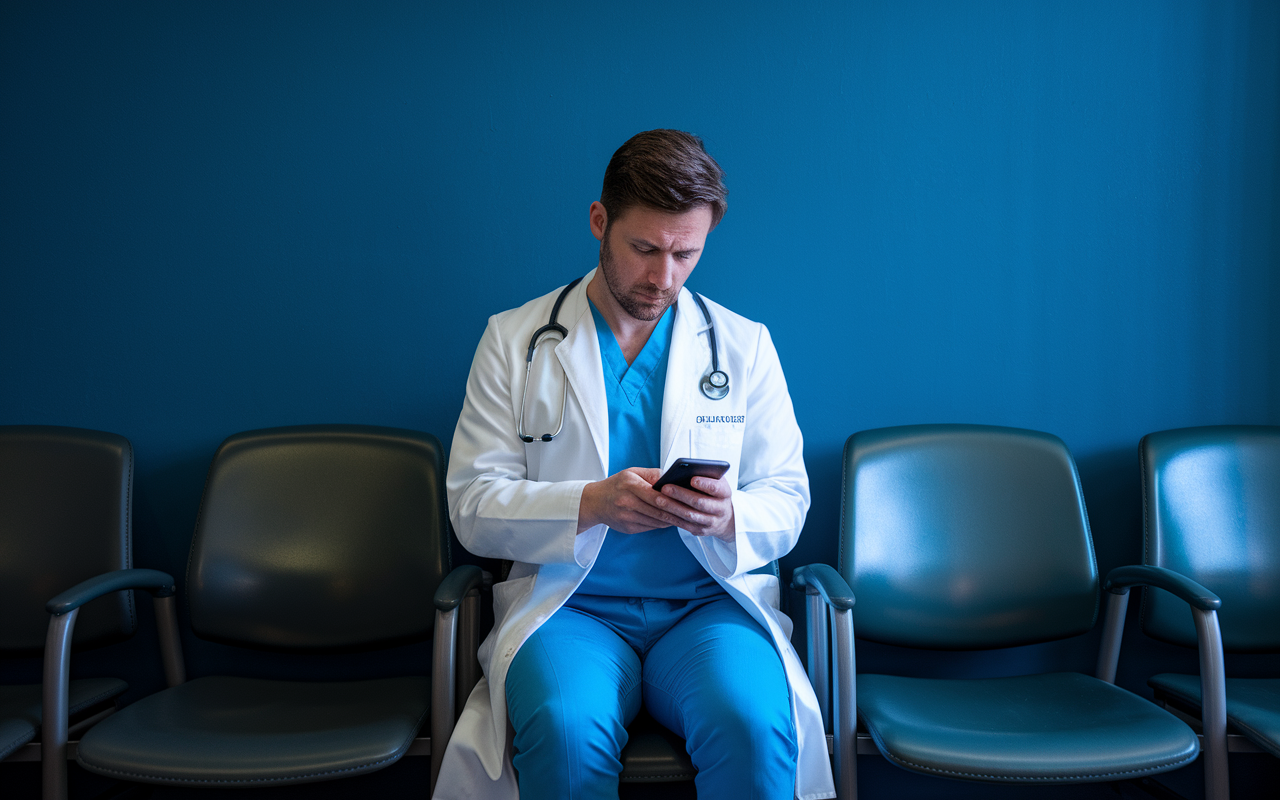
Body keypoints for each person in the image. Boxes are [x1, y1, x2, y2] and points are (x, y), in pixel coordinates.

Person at [434, 130, 834, 800]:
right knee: (563, 731)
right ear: (600, 222)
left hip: (708, 609)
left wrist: (729, 514)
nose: (664, 277)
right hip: (570, 609)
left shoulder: (744, 346)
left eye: (687, 253)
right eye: (644, 248)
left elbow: (788, 497)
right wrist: (588, 503)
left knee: (752, 725)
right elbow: (472, 504)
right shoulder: (513, 341)